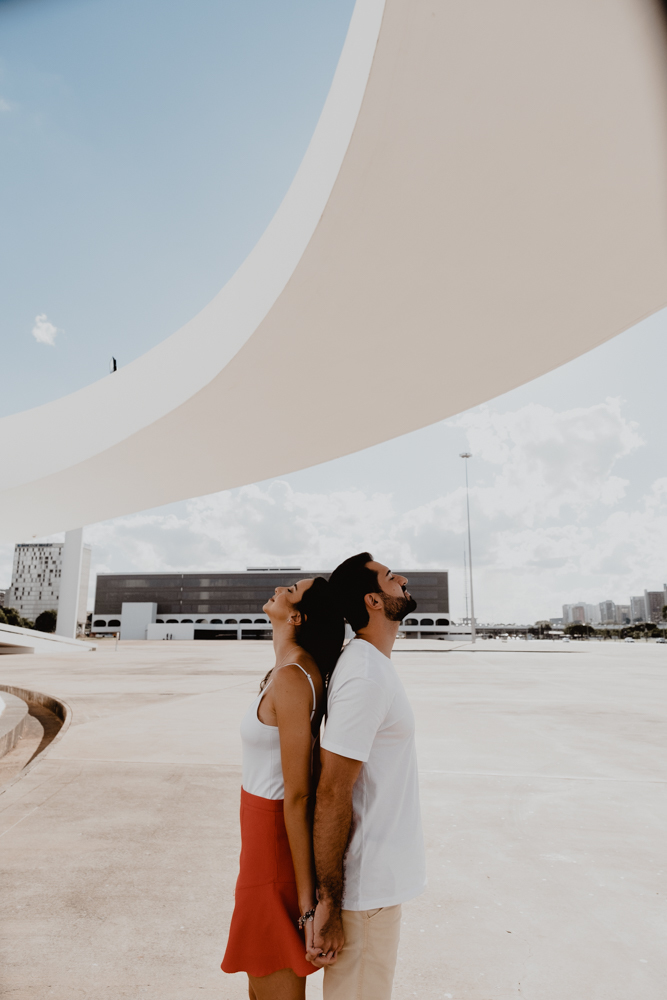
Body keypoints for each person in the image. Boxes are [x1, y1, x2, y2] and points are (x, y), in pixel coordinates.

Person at [306, 553, 426, 999]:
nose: (404, 579)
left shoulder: (371, 664)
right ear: (373, 601)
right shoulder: (365, 675)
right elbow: (332, 791)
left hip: (374, 887)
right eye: (392, 578)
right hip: (364, 891)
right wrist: (330, 903)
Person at [221, 576, 345, 1000]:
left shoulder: (293, 675)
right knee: (260, 984)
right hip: (260, 837)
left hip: (273, 843)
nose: (278, 588)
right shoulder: (288, 668)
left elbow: (298, 794)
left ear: (297, 617)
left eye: (290, 590)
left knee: (271, 983)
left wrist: (308, 906)